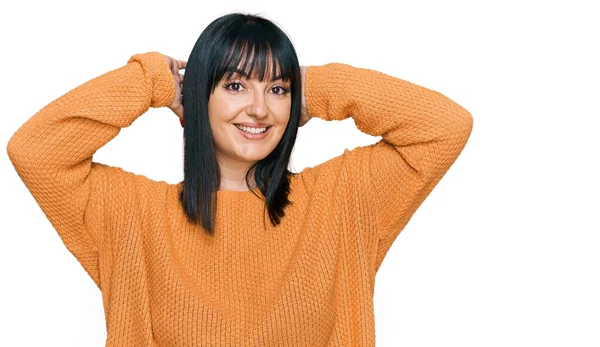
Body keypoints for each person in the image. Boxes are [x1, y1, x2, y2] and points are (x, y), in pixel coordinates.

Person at [6, 12, 473, 347]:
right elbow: (35, 150)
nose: (259, 108)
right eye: (235, 85)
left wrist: (317, 87)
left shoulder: (343, 200)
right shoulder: (132, 215)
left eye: (277, 89)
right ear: (197, 94)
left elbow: (444, 125)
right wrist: (152, 83)